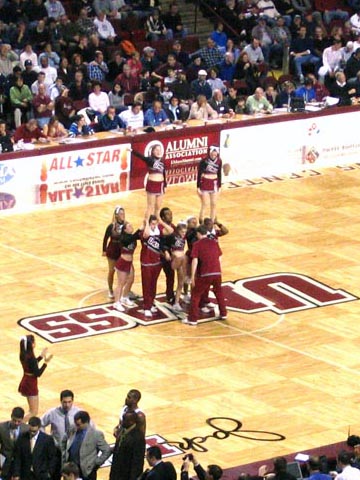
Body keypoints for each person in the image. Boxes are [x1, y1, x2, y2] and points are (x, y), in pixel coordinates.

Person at [183, 225, 227, 326]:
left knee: (195, 294)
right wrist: (219, 270)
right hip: (217, 272)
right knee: (219, 292)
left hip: (205, 273)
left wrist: (193, 276)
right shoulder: (214, 242)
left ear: (198, 234)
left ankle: (192, 319)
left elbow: (195, 260)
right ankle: (223, 313)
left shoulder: (197, 244)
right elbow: (220, 257)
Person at [140, 215, 173, 317]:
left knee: (153, 284)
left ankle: (151, 302)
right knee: (146, 285)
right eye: (152, 224)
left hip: (156, 262)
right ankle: (146, 307)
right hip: (146, 263)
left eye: (155, 223)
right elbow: (146, 235)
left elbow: (171, 231)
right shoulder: (143, 232)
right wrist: (146, 223)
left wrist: (161, 222)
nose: (154, 226)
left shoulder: (159, 232)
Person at [64, 411, 111, 480]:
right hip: (72, 468)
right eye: (76, 424)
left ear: (86, 423)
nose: (76, 426)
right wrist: (64, 455)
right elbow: (64, 440)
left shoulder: (96, 434)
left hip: (87, 471)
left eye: (78, 425)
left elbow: (107, 450)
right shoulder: (73, 428)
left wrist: (97, 463)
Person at [18, 335, 53, 419]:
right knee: (33, 412)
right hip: (30, 384)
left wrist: (41, 356)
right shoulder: (31, 358)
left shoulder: (23, 354)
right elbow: (38, 373)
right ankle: (19, 425)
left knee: (32, 411)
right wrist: (46, 363)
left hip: (26, 380)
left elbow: (32, 365)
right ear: (32, 344)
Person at [130, 145, 167, 219]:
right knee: (150, 207)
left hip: (161, 185)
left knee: (158, 207)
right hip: (152, 184)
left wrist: (165, 185)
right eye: (156, 150)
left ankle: (156, 224)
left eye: (159, 150)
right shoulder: (150, 159)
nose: (158, 151)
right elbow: (141, 156)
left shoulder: (162, 160)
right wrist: (131, 150)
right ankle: (146, 223)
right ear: (152, 151)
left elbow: (164, 173)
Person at [113, 221, 143, 311]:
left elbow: (139, 235)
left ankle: (125, 297)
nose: (131, 227)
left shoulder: (132, 237)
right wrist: (139, 230)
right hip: (123, 262)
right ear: (125, 229)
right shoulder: (123, 238)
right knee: (121, 283)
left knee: (131, 280)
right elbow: (130, 239)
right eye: (129, 226)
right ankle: (116, 302)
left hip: (130, 262)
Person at [109, 411, 145, 480]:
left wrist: (133, 478)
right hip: (116, 472)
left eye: (125, 419)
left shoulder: (138, 437)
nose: (122, 421)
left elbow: (137, 462)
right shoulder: (122, 429)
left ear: (132, 421)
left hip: (126, 475)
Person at [102, 206, 126, 299]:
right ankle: (110, 289)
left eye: (123, 213)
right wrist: (104, 250)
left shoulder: (126, 225)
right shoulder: (111, 226)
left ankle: (122, 289)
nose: (122, 215)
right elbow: (105, 238)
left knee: (123, 272)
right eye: (120, 214)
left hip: (121, 251)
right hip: (112, 250)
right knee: (112, 271)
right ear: (116, 215)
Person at [0, 407, 29, 480]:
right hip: (5, 462)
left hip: (20, 464)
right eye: (14, 420)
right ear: (11, 416)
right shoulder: (1, 428)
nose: (16, 423)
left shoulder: (26, 429)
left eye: (19, 421)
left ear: (22, 419)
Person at [197, 146, 222, 223]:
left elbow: (219, 173)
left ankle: (212, 221)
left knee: (214, 204)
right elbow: (199, 173)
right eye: (213, 152)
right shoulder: (204, 161)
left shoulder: (219, 161)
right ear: (210, 152)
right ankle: (201, 221)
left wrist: (219, 185)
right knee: (205, 204)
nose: (214, 154)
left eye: (215, 153)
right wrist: (198, 187)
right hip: (205, 183)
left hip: (214, 183)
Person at [166, 222, 187, 312]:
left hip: (182, 261)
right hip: (175, 260)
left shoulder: (183, 239)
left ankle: (177, 302)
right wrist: (167, 252)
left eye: (185, 232)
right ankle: (174, 301)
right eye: (182, 232)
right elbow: (164, 243)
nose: (184, 234)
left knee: (181, 283)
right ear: (178, 231)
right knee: (177, 281)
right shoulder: (172, 236)